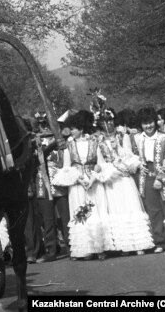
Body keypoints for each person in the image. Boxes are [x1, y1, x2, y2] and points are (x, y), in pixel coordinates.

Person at [52, 110, 113, 260]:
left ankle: (100, 248)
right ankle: (86, 249)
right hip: (78, 183)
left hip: (93, 181)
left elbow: (101, 163)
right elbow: (67, 168)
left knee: (97, 212)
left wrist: (93, 179)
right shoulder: (69, 146)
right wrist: (79, 179)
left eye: (73, 128)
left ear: (81, 128)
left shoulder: (94, 143)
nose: (70, 131)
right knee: (81, 213)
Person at [94, 108, 154, 255]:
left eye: (109, 120)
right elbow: (100, 161)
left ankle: (139, 244)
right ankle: (124, 245)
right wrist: (102, 169)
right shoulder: (99, 140)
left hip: (125, 177)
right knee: (117, 210)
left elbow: (130, 156)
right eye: (103, 121)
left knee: (131, 207)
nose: (107, 124)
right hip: (112, 180)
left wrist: (118, 148)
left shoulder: (123, 136)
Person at [136, 107, 165, 253]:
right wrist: (139, 165)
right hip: (146, 177)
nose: (148, 126)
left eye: (150, 122)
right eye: (144, 123)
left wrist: (161, 179)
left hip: (163, 175)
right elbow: (135, 156)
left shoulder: (164, 138)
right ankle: (160, 242)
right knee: (153, 211)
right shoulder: (138, 138)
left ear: (155, 122)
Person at [34, 118, 70, 263]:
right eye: (42, 125)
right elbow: (38, 156)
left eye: (47, 125)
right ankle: (51, 250)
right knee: (48, 220)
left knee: (66, 217)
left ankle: (71, 246)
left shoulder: (63, 139)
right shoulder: (35, 140)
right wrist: (52, 144)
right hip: (43, 182)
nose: (45, 128)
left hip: (61, 181)